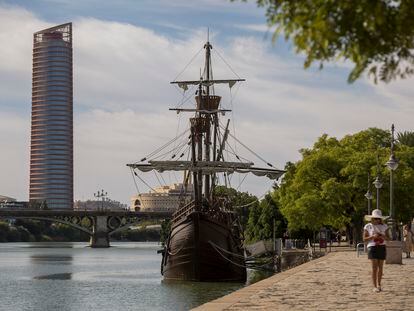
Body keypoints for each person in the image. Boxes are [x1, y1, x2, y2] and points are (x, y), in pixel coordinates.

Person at [363, 209, 390, 293]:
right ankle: (374, 286)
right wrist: (372, 236)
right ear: (372, 218)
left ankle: (379, 284)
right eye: (375, 218)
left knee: (380, 267)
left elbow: (389, 238)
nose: (377, 220)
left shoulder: (385, 226)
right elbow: (364, 239)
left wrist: (382, 236)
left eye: (378, 218)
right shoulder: (368, 226)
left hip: (382, 246)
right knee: (374, 267)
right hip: (372, 247)